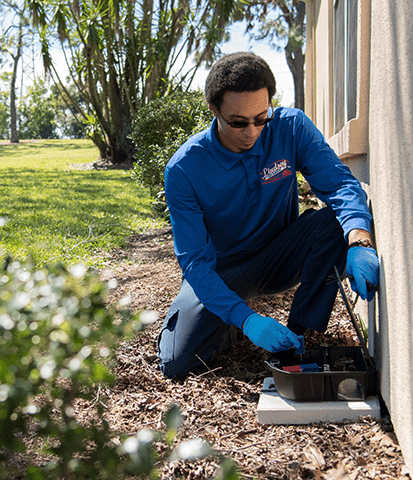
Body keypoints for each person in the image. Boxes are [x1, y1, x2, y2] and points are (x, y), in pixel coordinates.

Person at [157, 52, 379, 379]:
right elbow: (195, 264)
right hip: (224, 271)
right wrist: (245, 319)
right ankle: (230, 322)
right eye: (238, 122)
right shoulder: (184, 169)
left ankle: (301, 337)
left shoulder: (290, 127)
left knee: (336, 222)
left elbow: (340, 184)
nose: (251, 132)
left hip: (280, 256)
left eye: (261, 118)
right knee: (177, 364)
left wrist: (360, 241)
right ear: (214, 110)